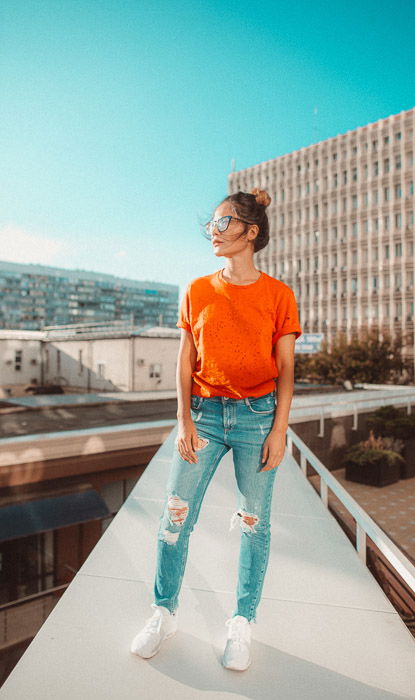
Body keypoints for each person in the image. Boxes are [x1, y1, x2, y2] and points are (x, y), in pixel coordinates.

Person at [131, 188, 302, 671]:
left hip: (258, 418)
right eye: (212, 222)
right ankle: (163, 614)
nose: (214, 230)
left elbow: (287, 369)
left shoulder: (278, 295)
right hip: (203, 416)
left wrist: (279, 429)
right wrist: (182, 418)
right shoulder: (197, 289)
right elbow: (186, 358)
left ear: (251, 233)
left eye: (225, 223)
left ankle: (241, 623)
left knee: (254, 523)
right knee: (175, 515)